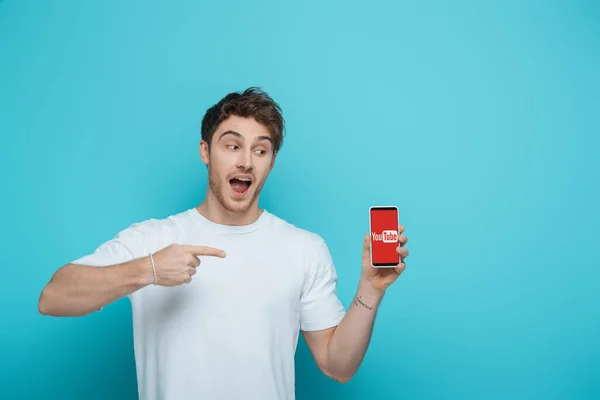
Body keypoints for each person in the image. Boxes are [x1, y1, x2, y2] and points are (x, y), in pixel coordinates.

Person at [38, 87, 410, 400]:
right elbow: (53, 297)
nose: (246, 161)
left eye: (260, 150)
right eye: (232, 146)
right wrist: (148, 269)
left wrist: (370, 291)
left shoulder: (304, 249)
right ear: (205, 151)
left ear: (271, 162)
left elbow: (338, 366)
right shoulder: (152, 238)